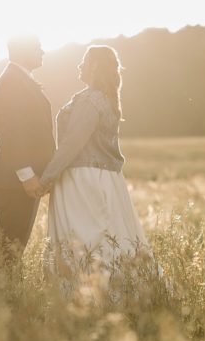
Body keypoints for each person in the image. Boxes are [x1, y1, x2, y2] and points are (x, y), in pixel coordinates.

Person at [37, 44, 155, 286]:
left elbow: (73, 143)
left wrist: (47, 177)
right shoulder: (106, 99)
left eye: (84, 61)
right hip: (106, 178)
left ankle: (89, 292)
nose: (80, 65)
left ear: (95, 66)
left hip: (82, 178)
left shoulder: (90, 99)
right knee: (112, 234)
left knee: (83, 236)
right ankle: (119, 287)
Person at [0, 34, 55, 266]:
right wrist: (27, 175)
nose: (43, 52)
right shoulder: (12, 82)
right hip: (13, 181)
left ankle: (7, 295)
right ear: (23, 51)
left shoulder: (21, 79)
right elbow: (10, 132)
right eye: (38, 48)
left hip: (21, 181)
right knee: (7, 248)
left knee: (13, 249)